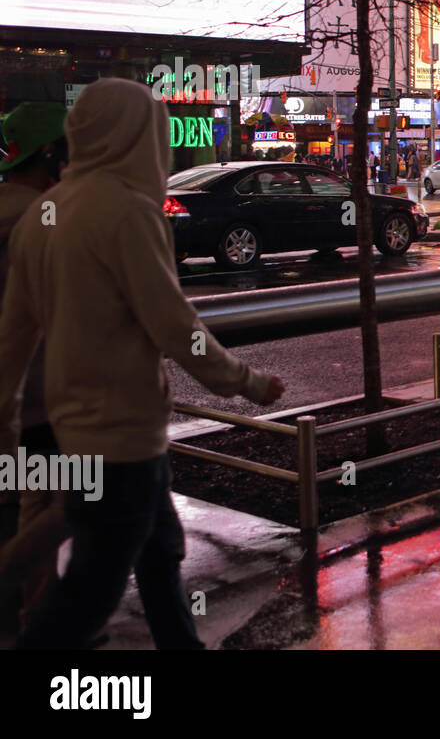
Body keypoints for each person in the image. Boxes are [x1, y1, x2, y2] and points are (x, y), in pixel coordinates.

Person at [0, 79, 285, 649]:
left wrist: (4, 426)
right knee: (90, 592)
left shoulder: (45, 213)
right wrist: (247, 383)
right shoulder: (129, 212)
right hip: (123, 437)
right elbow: (177, 329)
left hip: (79, 428)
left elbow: (13, 338)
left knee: (157, 556)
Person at [0, 104, 70, 635]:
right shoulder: (41, 220)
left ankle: (35, 616)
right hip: (41, 398)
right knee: (60, 506)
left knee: (33, 504)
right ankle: (42, 621)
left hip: (17, 403)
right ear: (50, 154)